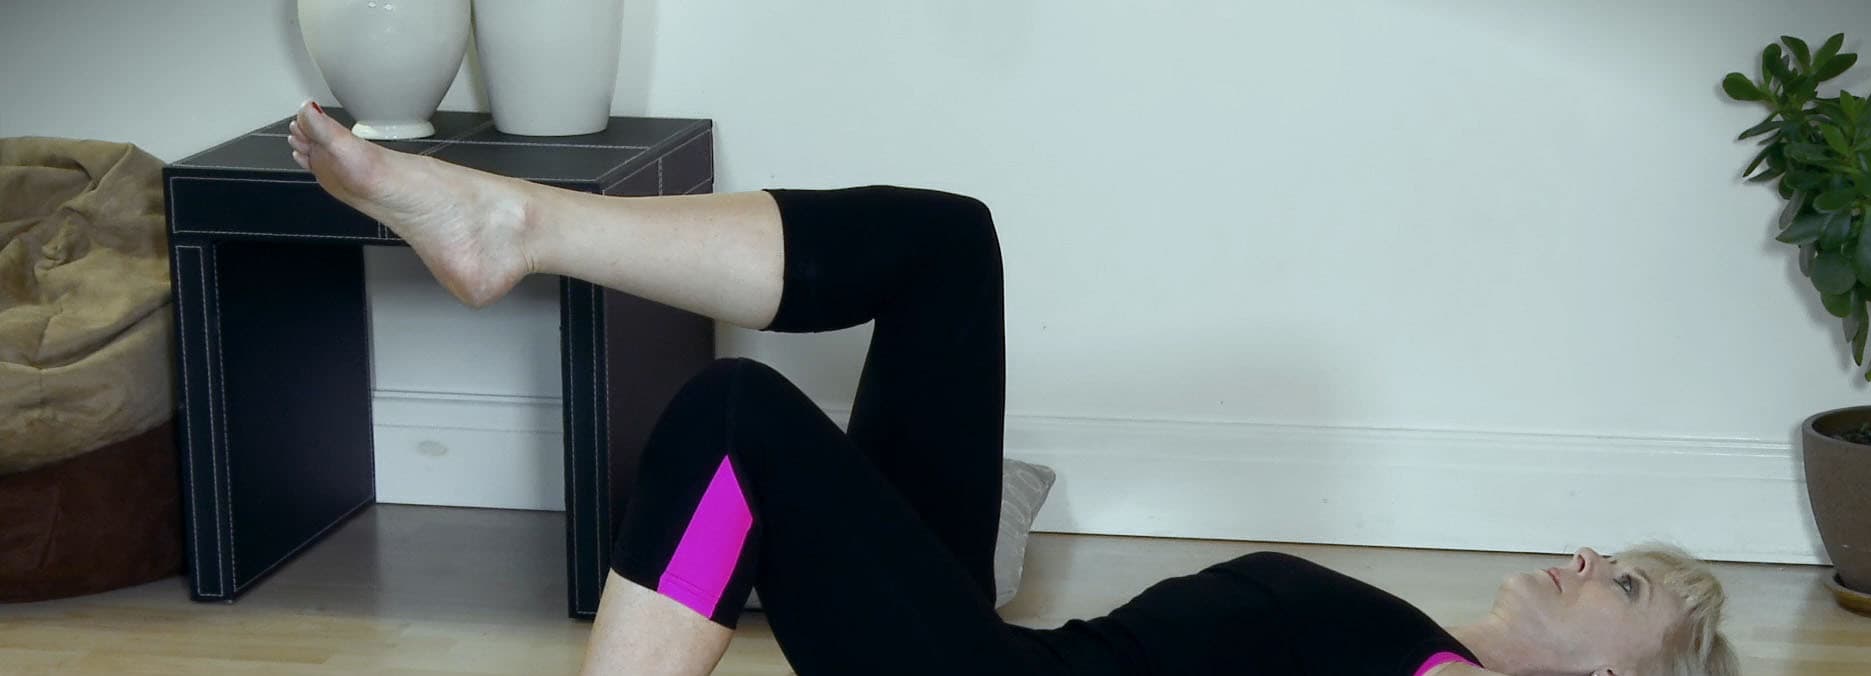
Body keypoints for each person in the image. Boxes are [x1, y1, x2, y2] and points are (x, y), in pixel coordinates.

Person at [285, 102, 1741, 676]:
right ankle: (519, 226)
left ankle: (514, 229)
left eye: (1625, 583)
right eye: (1613, 551)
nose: (1587, 556)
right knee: (947, 247)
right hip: (997, 658)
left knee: (738, 421)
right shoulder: (1429, 643)